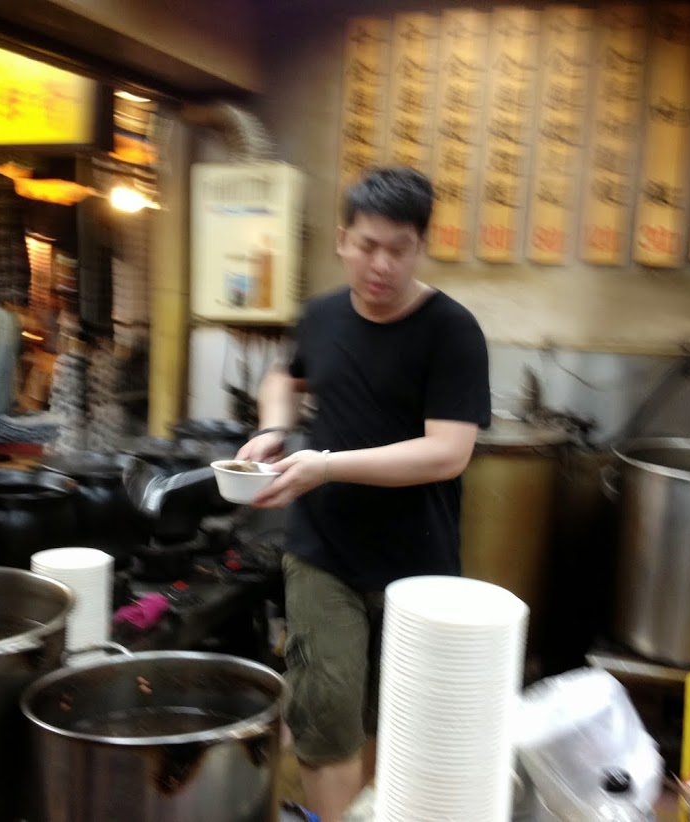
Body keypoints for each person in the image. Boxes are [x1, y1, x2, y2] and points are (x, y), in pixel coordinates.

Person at [236, 166, 491, 822]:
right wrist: (273, 428)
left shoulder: (451, 330)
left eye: (399, 250)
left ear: (421, 246)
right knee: (326, 717)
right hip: (323, 550)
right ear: (342, 239)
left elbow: (448, 451)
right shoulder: (321, 315)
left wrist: (325, 465)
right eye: (368, 246)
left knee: (397, 718)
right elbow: (284, 377)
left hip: (417, 558)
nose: (381, 264)